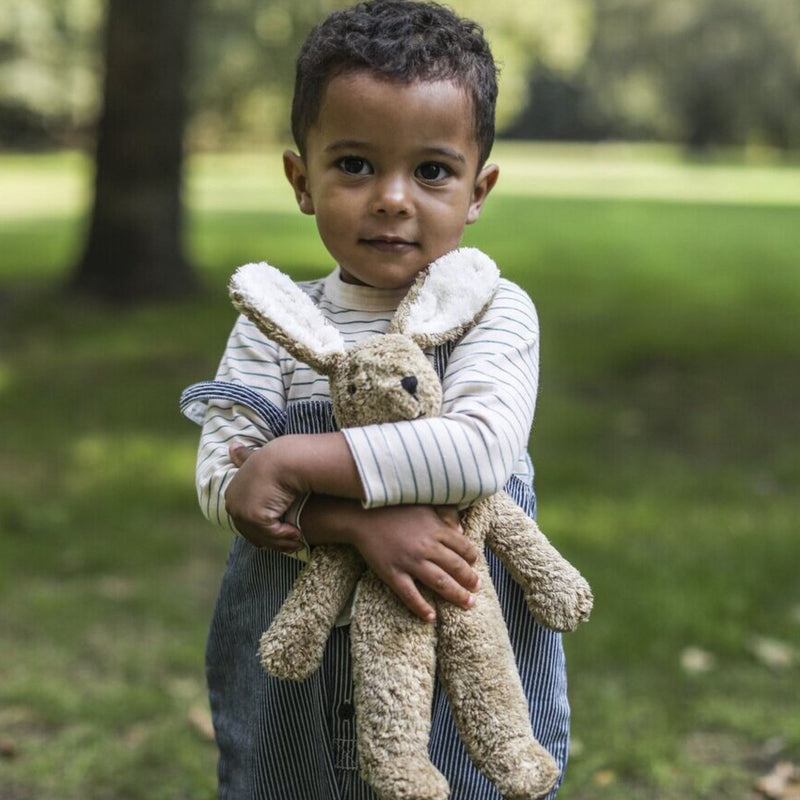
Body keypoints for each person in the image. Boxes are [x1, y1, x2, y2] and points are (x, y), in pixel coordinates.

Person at [180, 2, 570, 798]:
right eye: (355, 165)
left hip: (458, 660)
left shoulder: (494, 312)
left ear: (478, 190)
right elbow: (228, 484)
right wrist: (356, 522)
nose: (392, 198)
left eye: (432, 171)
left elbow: (475, 453)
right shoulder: (274, 322)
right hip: (295, 677)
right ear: (302, 180)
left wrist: (292, 461)